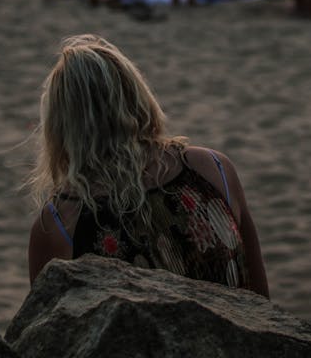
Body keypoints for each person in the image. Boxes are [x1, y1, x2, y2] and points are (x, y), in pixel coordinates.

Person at [27, 34, 269, 296]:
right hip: (238, 337)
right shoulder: (213, 169)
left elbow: (50, 331)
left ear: (61, 127)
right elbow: (261, 300)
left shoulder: (61, 222)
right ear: (137, 96)